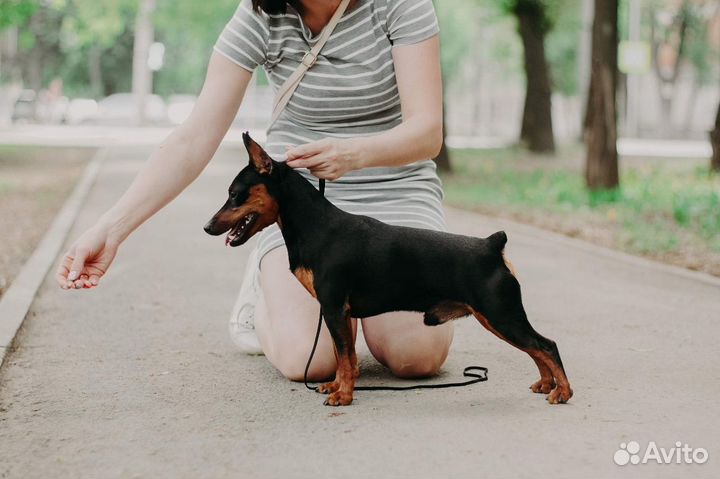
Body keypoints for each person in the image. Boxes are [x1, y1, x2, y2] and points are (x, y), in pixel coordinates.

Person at [56, 0, 454, 382]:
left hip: (395, 192)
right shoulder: (259, 16)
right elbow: (192, 140)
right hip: (302, 206)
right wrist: (110, 230)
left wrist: (354, 153)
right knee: (309, 361)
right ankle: (264, 293)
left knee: (415, 355)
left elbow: (427, 132)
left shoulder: (401, 4)